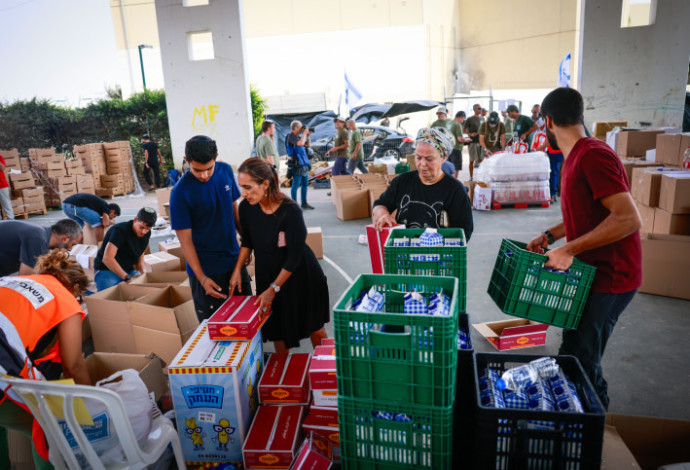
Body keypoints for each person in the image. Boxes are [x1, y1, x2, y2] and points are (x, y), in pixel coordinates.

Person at [525, 87, 642, 409]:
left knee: (583, 359)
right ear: (581, 116)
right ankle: (580, 419)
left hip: (612, 278)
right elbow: (587, 213)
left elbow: (629, 218)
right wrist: (551, 236)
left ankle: (599, 432)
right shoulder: (574, 158)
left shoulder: (593, 154)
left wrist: (568, 251)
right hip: (590, 275)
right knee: (572, 350)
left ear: (547, 121)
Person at [0, 249, 92, 469]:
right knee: (49, 427)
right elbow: (74, 366)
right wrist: (93, 406)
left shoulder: (17, 281)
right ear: (76, 288)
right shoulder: (66, 301)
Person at [231, 157, 329, 353]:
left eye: (248, 187)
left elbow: (294, 257)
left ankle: (326, 373)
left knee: (316, 330)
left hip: (301, 276)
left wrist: (272, 290)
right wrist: (237, 270)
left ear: (265, 184)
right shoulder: (246, 208)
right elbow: (248, 242)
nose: (243, 193)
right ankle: (283, 380)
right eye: (241, 187)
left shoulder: (290, 211)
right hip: (268, 275)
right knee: (278, 332)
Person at [170, 135, 252, 321]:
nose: (204, 175)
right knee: (217, 331)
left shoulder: (225, 171)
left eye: (209, 168)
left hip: (234, 263)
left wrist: (246, 245)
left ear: (216, 157)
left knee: (247, 321)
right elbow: (186, 242)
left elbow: (234, 211)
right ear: (186, 161)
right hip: (207, 272)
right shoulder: (180, 193)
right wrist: (202, 278)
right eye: (198, 170)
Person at [372, 127, 473, 239]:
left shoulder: (455, 190)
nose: (422, 164)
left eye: (429, 159)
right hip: (403, 250)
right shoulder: (402, 181)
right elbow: (380, 205)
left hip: (438, 253)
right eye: (418, 157)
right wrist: (383, 214)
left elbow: (464, 232)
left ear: (444, 158)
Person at [93, 207, 157, 291]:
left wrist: (143, 272)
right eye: (141, 227)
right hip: (106, 269)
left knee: (142, 290)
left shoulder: (146, 234)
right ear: (135, 219)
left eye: (148, 229)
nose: (144, 232)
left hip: (127, 268)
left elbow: (141, 252)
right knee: (108, 299)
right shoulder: (119, 231)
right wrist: (127, 278)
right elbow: (107, 259)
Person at [0, 219, 82, 276]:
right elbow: (26, 277)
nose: (70, 249)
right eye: (73, 244)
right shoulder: (37, 239)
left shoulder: (40, 234)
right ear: (65, 239)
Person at [286, 120, 314, 210]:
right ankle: (294, 205)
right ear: (296, 128)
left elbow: (308, 146)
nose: (302, 129)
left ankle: (304, 203)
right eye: (301, 127)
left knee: (305, 184)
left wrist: (308, 136)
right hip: (297, 164)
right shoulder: (290, 136)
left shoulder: (298, 137)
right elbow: (301, 143)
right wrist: (304, 134)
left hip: (304, 164)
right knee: (296, 185)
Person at [464, 103, 483, 180]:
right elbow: (464, 129)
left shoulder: (482, 119)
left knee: (480, 160)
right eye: (479, 108)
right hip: (473, 142)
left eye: (481, 108)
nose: (480, 110)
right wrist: (470, 134)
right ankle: (471, 177)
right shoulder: (470, 119)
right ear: (475, 109)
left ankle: (481, 176)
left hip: (481, 142)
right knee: (472, 160)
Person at [448, 111, 467, 176]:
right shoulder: (458, 124)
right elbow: (460, 139)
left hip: (449, 148)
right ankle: (454, 184)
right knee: (455, 168)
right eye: (463, 119)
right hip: (456, 149)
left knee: (449, 168)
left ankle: (449, 184)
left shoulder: (449, 123)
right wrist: (466, 140)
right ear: (461, 117)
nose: (463, 121)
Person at [0, 154, 13, 220]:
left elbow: (3, 168)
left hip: (2, 184)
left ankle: (11, 219)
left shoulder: (0, 157)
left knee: (6, 203)